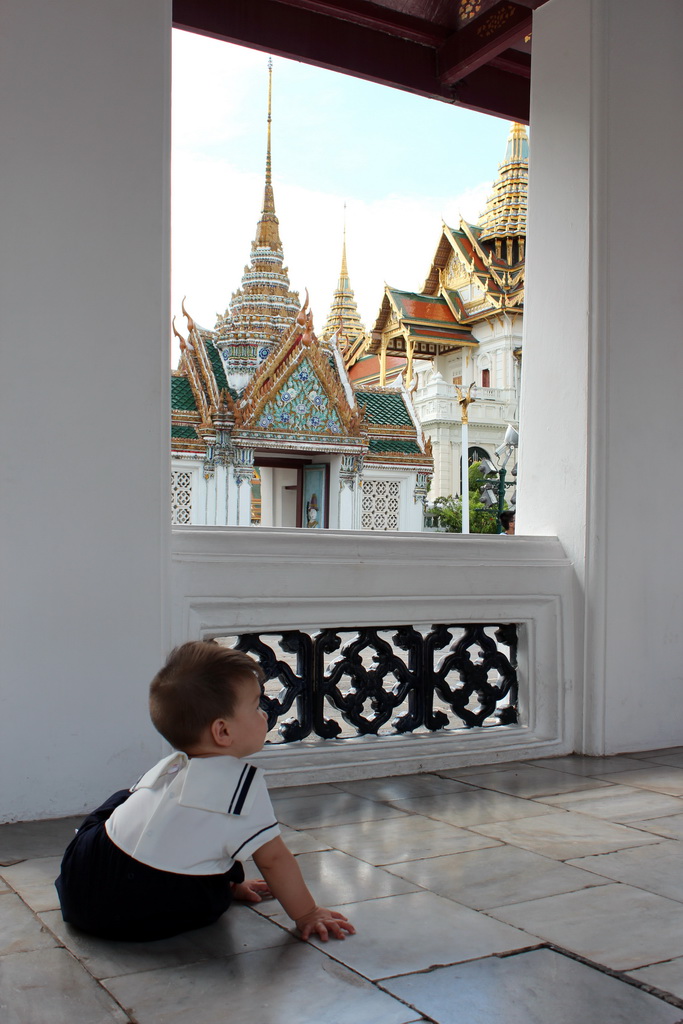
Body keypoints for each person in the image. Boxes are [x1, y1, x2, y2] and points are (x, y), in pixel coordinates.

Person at [55, 642, 355, 944]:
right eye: (255, 706)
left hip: (81, 881)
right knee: (222, 841)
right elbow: (274, 860)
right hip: (138, 911)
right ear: (222, 732)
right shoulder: (242, 787)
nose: (264, 713)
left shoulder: (169, 768)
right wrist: (307, 913)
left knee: (127, 800)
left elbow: (184, 838)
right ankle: (213, 883)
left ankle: (211, 877)